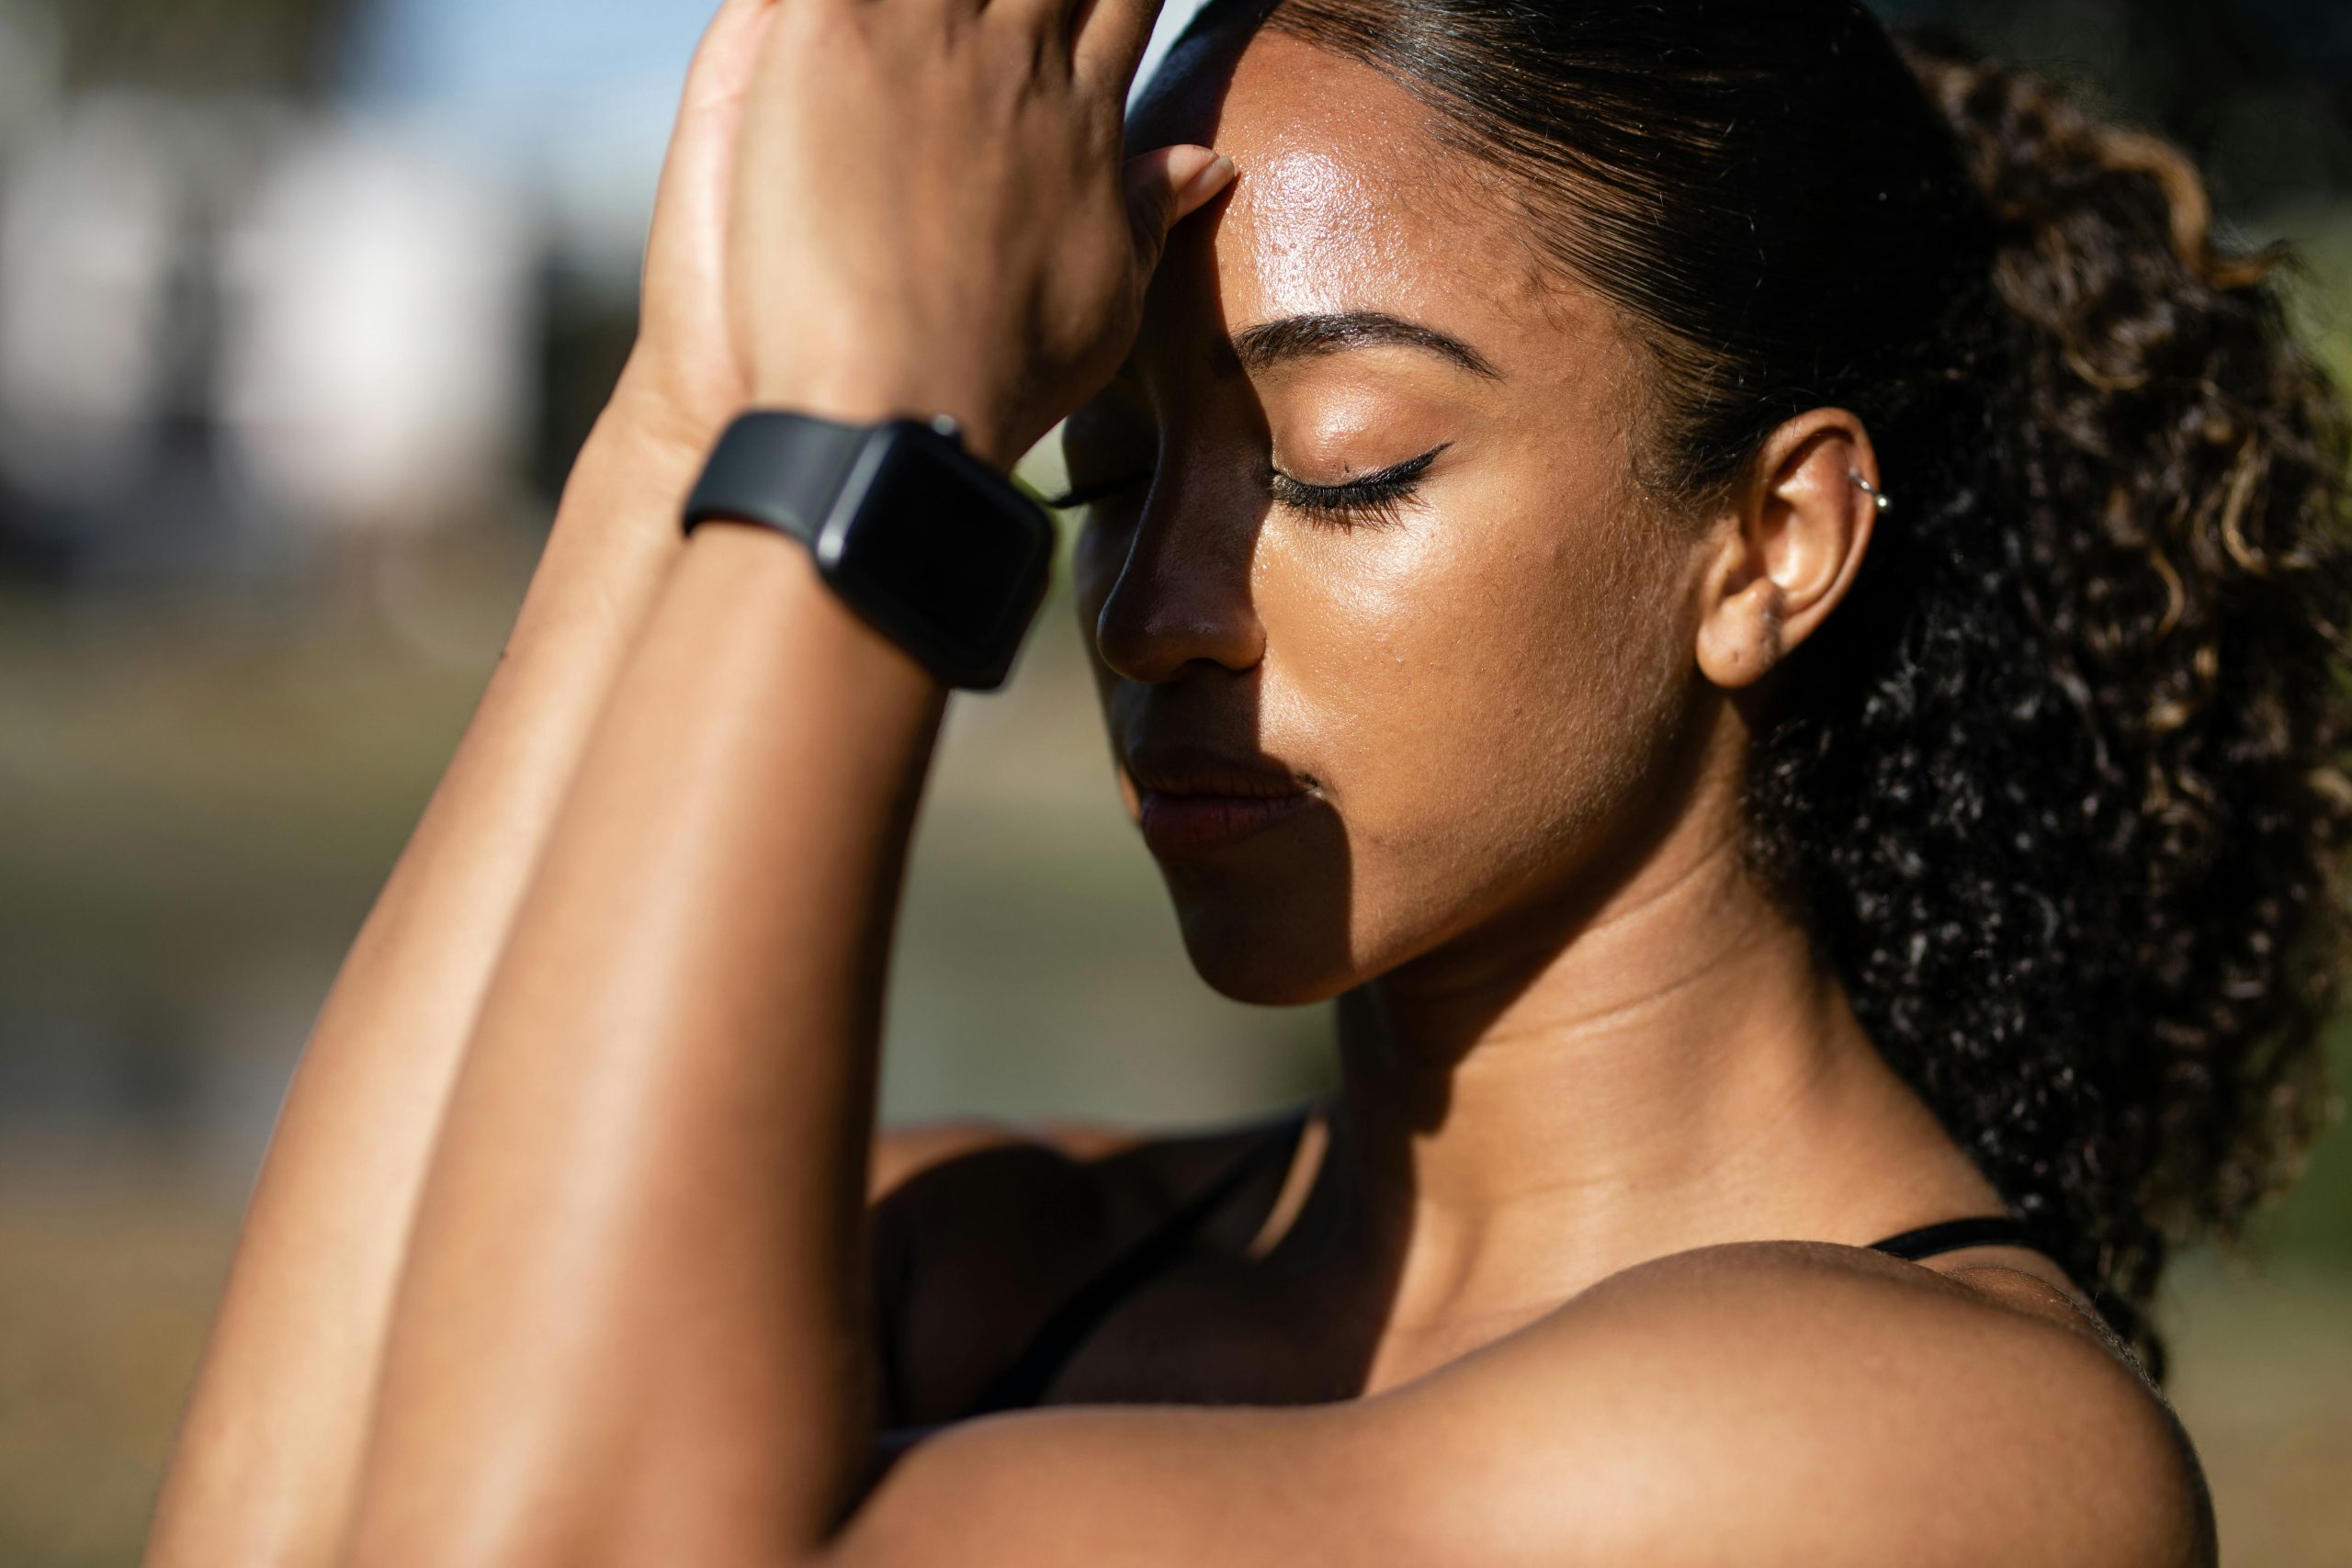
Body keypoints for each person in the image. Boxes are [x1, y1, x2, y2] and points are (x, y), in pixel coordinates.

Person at [142, 0, 2352, 1562]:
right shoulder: (981, 1251)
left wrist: (874, 453)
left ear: (1769, 540)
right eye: (1098, 478)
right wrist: (693, 402)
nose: (1143, 614)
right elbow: (278, 1526)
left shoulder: (1935, 1456)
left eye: (1335, 466)